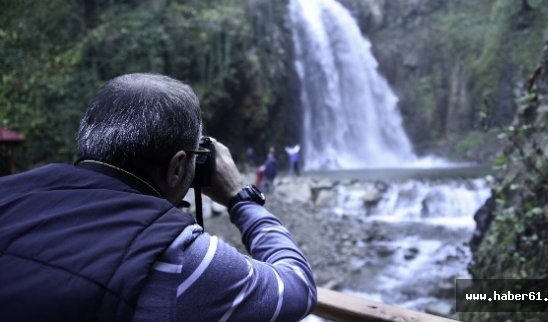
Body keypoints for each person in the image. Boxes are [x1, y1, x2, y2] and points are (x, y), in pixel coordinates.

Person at [0, 73, 317, 322]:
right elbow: (298, 287)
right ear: (178, 166)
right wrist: (240, 197)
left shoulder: (8, 192)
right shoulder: (181, 257)